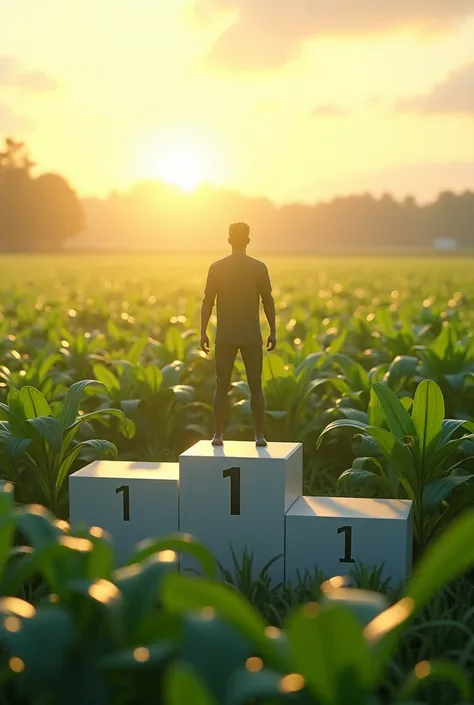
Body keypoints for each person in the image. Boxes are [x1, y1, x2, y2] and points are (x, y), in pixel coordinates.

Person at [200, 222, 276, 447]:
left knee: (221, 385)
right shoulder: (259, 267)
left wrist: (203, 331)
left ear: (229, 240)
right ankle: (259, 434)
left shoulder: (216, 267)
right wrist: (273, 331)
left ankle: (218, 434)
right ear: (248, 241)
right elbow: (268, 301)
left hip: (225, 335)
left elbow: (207, 301)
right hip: (251, 335)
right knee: (256, 385)